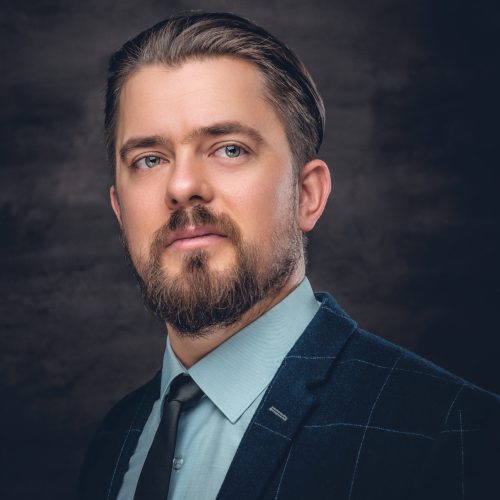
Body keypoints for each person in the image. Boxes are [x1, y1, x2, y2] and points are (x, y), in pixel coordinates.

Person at [78, 11, 500, 500]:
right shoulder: (114, 440)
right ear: (119, 210)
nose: (182, 186)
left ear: (307, 196)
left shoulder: (458, 436)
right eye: (149, 159)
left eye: (229, 149)